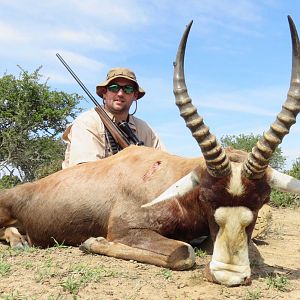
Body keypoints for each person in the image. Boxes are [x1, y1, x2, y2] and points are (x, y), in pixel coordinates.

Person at [62, 67, 165, 169]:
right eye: (114, 88)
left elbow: (164, 164)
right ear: (104, 93)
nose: (120, 94)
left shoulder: (145, 128)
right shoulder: (87, 122)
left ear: (135, 95)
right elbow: (86, 173)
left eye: (128, 89)